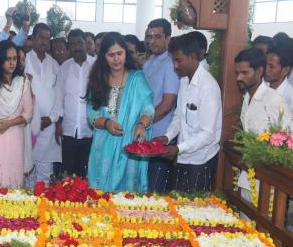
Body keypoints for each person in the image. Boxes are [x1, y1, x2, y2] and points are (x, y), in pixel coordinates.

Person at [86, 32, 154, 193]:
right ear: (103, 56)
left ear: (125, 53)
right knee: (100, 197)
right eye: (111, 55)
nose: (116, 59)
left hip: (129, 149)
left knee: (127, 200)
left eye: (119, 53)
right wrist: (107, 123)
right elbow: (92, 117)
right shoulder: (98, 79)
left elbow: (148, 107)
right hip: (103, 149)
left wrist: (141, 124)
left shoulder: (137, 78)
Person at [155, 34, 222, 193]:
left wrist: (179, 148)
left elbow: (208, 134)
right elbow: (179, 116)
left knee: (195, 211)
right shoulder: (184, 80)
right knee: (179, 205)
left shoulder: (208, 87)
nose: (175, 66)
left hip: (201, 161)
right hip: (184, 156)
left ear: (192, 57)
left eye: (178, 60)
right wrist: (167, 136)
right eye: (173, 60)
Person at [235, 48, 292, 201]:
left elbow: (289, 142)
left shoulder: (273, 100)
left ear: (259, 71)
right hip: (247, 177)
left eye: (244, 73)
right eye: (237, 73)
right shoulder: (247, 97)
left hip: (268, 184)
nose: (239, 77)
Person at [0, 40, 33, 188]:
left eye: (15, 58)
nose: (12, 63)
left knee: (15, 175)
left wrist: (9, 123)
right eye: (7, 59)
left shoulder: (23, 82)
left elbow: (28, 113)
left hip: (16, 134)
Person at [143, 18, 180, 193]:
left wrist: (142, 123)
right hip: (144, 136)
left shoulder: (171, 65)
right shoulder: (147, 63)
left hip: (161, 138)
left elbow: (167, 104)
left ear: (168, 38)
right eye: (150, 36)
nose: (152, 41)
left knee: (155, 194)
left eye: (157, 37)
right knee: (142, 192)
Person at [25, 23, 62, 184]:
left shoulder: (54, 64)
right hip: (27, 126)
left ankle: (42, 208)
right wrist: (32, 119)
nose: (44, 42)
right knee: (26, 173)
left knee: (45, 177)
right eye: (41, 37)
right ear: (32, 39)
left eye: (47, 39)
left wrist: (52, 118)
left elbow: (59, 95)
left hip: (48, 125)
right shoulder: (23, 60)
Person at [57, 29, 95, 177]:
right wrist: (58, 123)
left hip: (90, 131)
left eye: (79, 42)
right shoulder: (64, 68)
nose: (76, 47)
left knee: (86, 174)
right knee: (67, 174)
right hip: (68, 131)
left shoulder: (96, 66)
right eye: (72, 44)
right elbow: (59, 97)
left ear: (86, 44)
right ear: (69, 48)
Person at [264, 45, 293, 116]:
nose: (266, 69)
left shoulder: (290, 97)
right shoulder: (260, 88)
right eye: (265, 64)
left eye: (271, 66)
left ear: (285, 70)